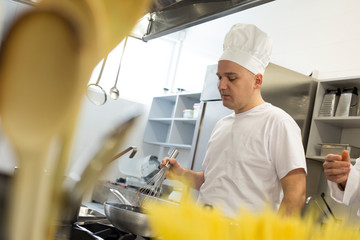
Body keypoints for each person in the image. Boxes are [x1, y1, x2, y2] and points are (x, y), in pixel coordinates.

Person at [161, 23, 307, 217]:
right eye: (220, 77)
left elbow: (296, 193)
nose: (221, 85)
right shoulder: (222, 124)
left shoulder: (278, 123)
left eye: (231, 78)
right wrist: (182, 175)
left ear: (257, 81)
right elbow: (212, 181)